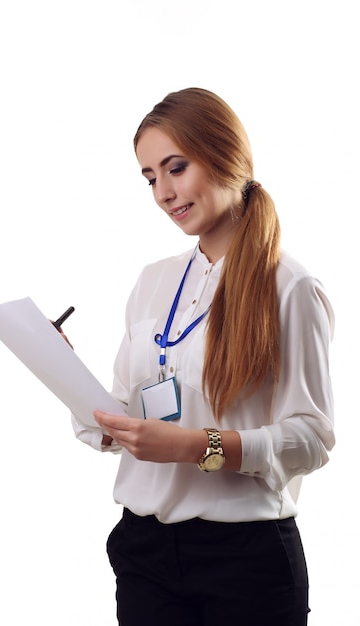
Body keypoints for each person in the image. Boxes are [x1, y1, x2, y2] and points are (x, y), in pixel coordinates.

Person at [70, 87, 335, 625]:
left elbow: (311, 438)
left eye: (176, 167)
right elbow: (120, 414)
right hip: (144, 554)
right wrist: (65, 374)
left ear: (225, 156)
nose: (163, 192)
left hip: (245, 562)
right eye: (149, 178)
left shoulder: (291, 287)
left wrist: (197, 446)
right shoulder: (153, 281)